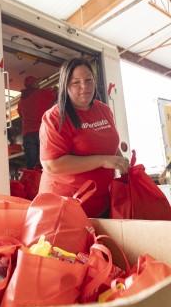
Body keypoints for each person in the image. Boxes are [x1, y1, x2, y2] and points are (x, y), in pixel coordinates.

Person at [38, 58, 129, 218]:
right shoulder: (55, 117)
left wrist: (120, 163)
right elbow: (52, 165)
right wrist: (102, 160)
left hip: (101, 203)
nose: (84, 87)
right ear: (65, 86)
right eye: (76, 83)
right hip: (65, 208)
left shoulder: (104, 110)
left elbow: (110, 144)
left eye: (88, 80)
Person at [18, 75, 57, 169]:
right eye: (36, 82)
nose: (38, 84)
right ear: (33, 84)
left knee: (31, 164)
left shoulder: (21, 101)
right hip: (40, 132)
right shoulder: (41, 93)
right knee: (44, 162)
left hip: (28, 134)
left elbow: (20, 114)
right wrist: (55, 88)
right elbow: (55, 94)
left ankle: (33, 181)